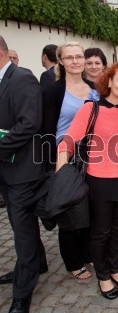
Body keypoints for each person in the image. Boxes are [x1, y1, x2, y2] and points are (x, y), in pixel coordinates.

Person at [56, 63, 118, 299]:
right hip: (98, 181)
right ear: (109, 81)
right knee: (100, 232)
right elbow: (68, 140)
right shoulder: (91, 109)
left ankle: (115, 268)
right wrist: (60, 170)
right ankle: (103, 275)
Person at [42, 42, 99, 280]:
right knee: (69, 212)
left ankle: (88, 253)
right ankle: (73, 261)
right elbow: (45, 130)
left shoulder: (95, 89)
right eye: (70, 57)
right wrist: (53, 163)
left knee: (91, 210)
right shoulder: (53, 91)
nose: (75, 61)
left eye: (79, 57)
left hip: (93, 157)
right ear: (61, 61)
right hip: (64, 157)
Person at [0, 35, 45, 313]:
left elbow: (29, 124)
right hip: (5, 167)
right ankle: (37, 262)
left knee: (23, 230)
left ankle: (23, 290)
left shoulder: (22, 78)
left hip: (23, 169)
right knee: (20, 225)